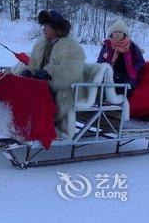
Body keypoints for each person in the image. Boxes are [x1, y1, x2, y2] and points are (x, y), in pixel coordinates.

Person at [11, 10, 86, 138]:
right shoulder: (40, 45)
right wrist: (28, 71)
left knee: (36, 93)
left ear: (57, 29)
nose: (43, 29)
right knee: (20, 88)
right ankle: (20, 122)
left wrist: (50, 72)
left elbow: (72, 71)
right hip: (41, 86)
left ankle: (37, 127)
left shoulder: (72, 47)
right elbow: (34, 65)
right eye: (43, 25)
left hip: (65, 89)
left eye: (47, 26)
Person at [97, 19, 145, 97]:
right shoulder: (107, 46)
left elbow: (140, 61)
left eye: (120, 32)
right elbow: (100, 62)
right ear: (111, 33)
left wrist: (133, 69)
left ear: (124, 34)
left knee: (126, 91)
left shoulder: (132, 46)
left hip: (127, 77)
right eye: (115, 32)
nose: (117, 34)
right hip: (109, 75)